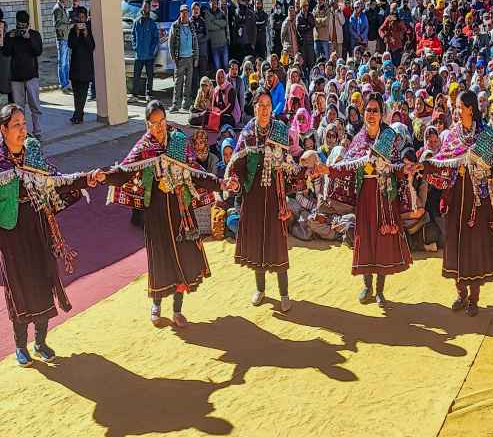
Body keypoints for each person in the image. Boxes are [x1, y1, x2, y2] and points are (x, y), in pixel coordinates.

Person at [0, 105, 100, 366]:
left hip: (37, 226)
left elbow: (56, 179)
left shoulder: (32, 154)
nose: (23, 130)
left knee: (43, 278)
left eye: (24, 124)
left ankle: (41, 341)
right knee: (19, 286)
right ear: (3, 130)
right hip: (11, 234)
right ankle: (20, 345)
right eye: (16, 125)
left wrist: (85, 179)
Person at [104, 100, 228, 327]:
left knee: (183, 255)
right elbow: (124, 172)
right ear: (147, 125)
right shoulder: (144, 147)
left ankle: (177, 311)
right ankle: (157, 305)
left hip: (181, 210)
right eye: (154, 124)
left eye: (162, 121)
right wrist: (105, 176)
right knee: (160, 257)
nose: (160, 127)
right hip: (156, 213)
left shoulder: (179, 142)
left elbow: (195, 172)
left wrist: (220, 184)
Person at [313, 93, 416, 306]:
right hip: (365, 195)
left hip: (385, 196)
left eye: (375, 110)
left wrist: (402, 168)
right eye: (368, 110)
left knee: (383, 239)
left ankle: (379, 290)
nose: (371, 114)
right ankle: (367, 286)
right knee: (366, 238)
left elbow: (396, 167)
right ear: (364, 112)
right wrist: (328, 170)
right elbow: (348, 166)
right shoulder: (359, 138)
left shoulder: (390, 136)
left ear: (382, 114)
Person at [422, 90, 493, 316]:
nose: (456, 111)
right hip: (456, 197)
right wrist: (426, 164)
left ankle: (474, 299)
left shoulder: (486, 134)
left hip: (478, 200)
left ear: (470, 108)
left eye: (460, 107)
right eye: (455, 108)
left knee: (475, 246)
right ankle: (461, 293)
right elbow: (441, 161)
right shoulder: (451, 135)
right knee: (455, 242)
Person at [225, 90, 304, 310]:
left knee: (277, 242)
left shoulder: (279, 130)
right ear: (254, 107)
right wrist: (233, 181)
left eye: (268, 105)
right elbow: (236, 165)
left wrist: (303, 172)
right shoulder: (248, 133)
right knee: (257, 242)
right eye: (260, 105)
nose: (264, 109)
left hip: (275, 195)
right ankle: (260, 289)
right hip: (254, 196)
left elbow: (289, 162)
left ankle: (284, 294)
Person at [2, 10, 43, 140]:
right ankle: (22, 134)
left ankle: (38, 131)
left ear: (28, 24)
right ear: (16, 23)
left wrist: (29, 38)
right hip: (16, 77)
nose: (21, 27)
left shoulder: (34, 35)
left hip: (31, 76)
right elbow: (6, 52)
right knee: (19, 109)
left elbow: (38, 51)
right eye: (19, 25)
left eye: (24, 25)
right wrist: (10, 38)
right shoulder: (11, 35)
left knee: (35, 106)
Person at [67, 7, 95, 125]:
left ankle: (77, 114)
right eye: (79, 17)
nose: (81, 20)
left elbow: (92, 46)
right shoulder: (73, 30)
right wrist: (77, 34)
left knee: (83, 93)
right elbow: (71, 45)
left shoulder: (89, 29)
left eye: (83, 17)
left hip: (86, 67)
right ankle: (79, 113)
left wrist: (86, 34)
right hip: (75, 67)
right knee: (76, 93)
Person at [169, 4, 198, 113]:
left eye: (186, 12)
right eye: (183, 12)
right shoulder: (175, 26)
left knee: (188, 82)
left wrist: (196, 57)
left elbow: (195, 42)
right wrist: (173, 57)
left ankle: (185, 104)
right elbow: (170, 43)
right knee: (178, 82)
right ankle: (175, 104)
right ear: (180, 13)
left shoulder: (191, 25)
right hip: (179, 58)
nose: (185, 14)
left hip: (190, 57)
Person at [131, 0, 159, 100]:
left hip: (149, 55)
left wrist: (151, 50)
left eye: (147, 6)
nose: (145, 8)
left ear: (149, 8)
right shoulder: (136, 22)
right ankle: (135, 95)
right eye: (144, 6)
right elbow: (133, 35)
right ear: (142, 7)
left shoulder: (152, 23)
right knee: (136, 75)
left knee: (150, 75)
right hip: (138, 54)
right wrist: (135, 46)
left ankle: (149, 94)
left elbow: (156, 38)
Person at [190, 2, 210, 101]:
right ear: (192, 10)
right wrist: (196, 39)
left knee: (203, 75)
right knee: (194, 76)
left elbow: (207, 36)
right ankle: (194, 96)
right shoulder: (189, 22)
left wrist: (199, 39)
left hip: (202, 53)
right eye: (194, 9)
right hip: (193, 54)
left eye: (197, 9)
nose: (196, 11)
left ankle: (204, 96)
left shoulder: (203, 21)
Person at [205, 0, 229, 75]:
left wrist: (214, 21)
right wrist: (219, 25)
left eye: (216, 3)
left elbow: (225, 23)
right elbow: (209, 26)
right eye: (213, 3)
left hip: (223, 43)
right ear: (210, 3)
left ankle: (227, 84)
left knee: (225, 66)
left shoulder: (221, 13)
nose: (214, 5)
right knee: (217, 67)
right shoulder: (207, 13)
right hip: (214, 45)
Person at [52, 0, 71, 92]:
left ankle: (67, 83)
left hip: (66, 38)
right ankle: (63, 84)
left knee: (66, 62)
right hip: (62, 38)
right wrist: (69, 25)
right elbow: (58, 25)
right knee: (62, 62)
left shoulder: (63, 8)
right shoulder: (57, 9)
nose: (67, 0)